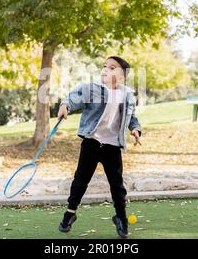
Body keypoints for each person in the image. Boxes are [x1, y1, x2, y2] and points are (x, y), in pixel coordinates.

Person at [57, 56, 142, 238]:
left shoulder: (127, 95)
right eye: (104, 66)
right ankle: (70, 214)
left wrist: (135, 129)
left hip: (112, 145)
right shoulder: (93, 89)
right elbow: (74, 97)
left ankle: (121, 218)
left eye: (112, 67)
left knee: (117, 185)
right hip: (92, 142)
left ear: (122, 76)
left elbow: (131, 117)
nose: (105, 69)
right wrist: (65, 105)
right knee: (80, 180)